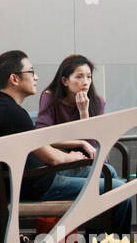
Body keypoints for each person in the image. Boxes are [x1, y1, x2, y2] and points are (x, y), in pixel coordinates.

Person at [0, 50, 130, 233]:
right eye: (31, 72)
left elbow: (45, 149)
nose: (36, 77)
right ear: (15, 79)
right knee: (121, 192)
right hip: (38, 185)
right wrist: (74, 157)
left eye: (89, 76)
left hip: (26, 180)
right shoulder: (13, 114)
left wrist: (78, 147)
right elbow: (52, 158)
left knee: (108, 173)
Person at [35, 54, 116, 184]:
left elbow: (93, 145)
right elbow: (43, 136)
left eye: (89, 77)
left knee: (107, 172)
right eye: (79, 77)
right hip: (63, 159)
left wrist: (84, 112)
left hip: (90, 158)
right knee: (108, 175)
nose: (85, 82)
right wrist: (80, 142)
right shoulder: (50, 98)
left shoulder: (97, 102)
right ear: (65, 81)